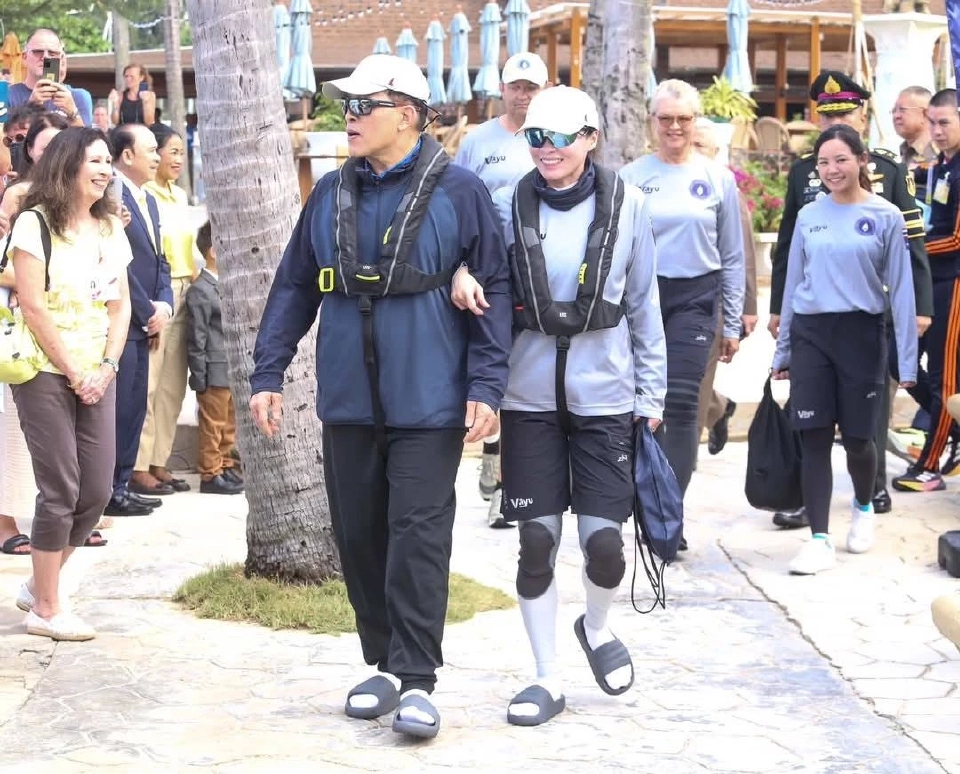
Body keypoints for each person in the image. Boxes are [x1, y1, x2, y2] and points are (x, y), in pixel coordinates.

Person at [248, 54, 511, 739]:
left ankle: (419, 678)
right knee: (359, 533)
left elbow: (493, 289)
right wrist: (268, 371)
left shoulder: (461, 193)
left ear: (410, 114)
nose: (351, 116)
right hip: (349, 398)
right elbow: (295, 286)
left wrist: (487, 383)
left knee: (417, 535)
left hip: (428, 398)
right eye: (349, 104)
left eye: (366, 104)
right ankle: (384, 663)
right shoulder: (330, 192)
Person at [453, 85, 665, 726]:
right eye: (535, 137)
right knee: (537, 542)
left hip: (605, 397)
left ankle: (595, 628)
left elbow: (644, 303)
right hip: (528, 399)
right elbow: (477, 267)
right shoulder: (502, 207)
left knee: (605, 546)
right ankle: (546, 676)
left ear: (590, 138)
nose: (546, 149)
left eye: (560, 137)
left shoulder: (629, 208)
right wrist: (462, 272)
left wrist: (650, 393)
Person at [767, 70, 933, 529]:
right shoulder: (804, 171)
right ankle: (812, 508)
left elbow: (911, 245)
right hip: (815, 320)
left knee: (867, 419)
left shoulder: (889, 171)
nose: (836, 119)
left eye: (845, 112)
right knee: (812, 422)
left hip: (867, 317)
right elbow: (788, 249)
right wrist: (780, 308)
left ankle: (872, 486)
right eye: (828, 113)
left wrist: (920, 308)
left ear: (862, 113)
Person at [5, 127, 132, 638]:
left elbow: (120, 304)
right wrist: (76, 371)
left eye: (108, 162)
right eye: (96, 161)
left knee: (96, 490)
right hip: (42, 369)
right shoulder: (34, 224)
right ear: (68, 163)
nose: (105, 170)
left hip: (98, 372)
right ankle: (48, 609)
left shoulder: (109, 229)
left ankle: (43, 584)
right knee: (59, 489)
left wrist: (107, 366)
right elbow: (32, 306)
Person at [620, 79, 744, 551]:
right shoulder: (632, 176)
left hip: (696, 298)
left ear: (696, 123)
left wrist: (731, 322)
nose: (675, 126)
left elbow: (732, 257)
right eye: (666, 118)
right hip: (641, 298)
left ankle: (666, 520)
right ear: (652, 121)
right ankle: (641, 500)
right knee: (640, 406)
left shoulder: (717, 178)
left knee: (682, 406)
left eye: (684, 118)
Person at [453, 51, 549, 526]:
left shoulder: (552, 140)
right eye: (517, 86)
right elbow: (455, 202)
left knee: (525, 373)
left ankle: (509, 481)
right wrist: (459, 265)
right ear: (503, 88)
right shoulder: (478, 141)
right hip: (488, 268)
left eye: (532, 87)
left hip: (539, 270)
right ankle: (494, 460)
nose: (523, 95)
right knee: (492, 363)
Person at [892, 88, 960, 493]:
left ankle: (931, 464)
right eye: (931, 122)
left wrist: (909, 247)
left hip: (953, 283)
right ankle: (945, 431)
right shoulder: (938, 166)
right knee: (901, 364)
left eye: (944, 122)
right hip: (926, 279)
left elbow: (954, 238)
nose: (935, 130)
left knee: (945, 378)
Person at [106, 124, 172, 516]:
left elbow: (160, 259)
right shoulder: (112, 195)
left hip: (147, 317)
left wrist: (164, 305)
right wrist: (148, 312)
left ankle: (122, 484)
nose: (158, 156)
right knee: (119, 410)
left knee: (134, 408)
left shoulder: (147, 199)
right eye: (150, 149)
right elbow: (119, 264)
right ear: (126, 155)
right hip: (125, 318)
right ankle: (110, 489)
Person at [129, 124, 196, 496]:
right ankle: (137, 465)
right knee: (149, 383)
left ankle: (159, 461)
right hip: (158, 295)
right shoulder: (142, 196)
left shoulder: (180, 196)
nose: (174, 158)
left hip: (186, 291)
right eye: (168, 150)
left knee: (173, 385)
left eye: (177, 152)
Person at [692, 117, 758, 456]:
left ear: (716, 151)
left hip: (712, 302)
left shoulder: (724, 188)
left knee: (693, 389)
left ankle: (683, 459)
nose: (695, 150)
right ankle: (719, 408)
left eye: (702, 145)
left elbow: (742, 254)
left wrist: (747, 308)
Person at [186, 221, 243, 495]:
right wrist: (198, 376)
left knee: (229, 425)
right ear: (213, 251)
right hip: (212, 369)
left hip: (229, 368)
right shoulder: (201, 290)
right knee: (212, 425)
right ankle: (210, 474)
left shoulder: (225, 285)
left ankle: (224, 466)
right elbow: (196, 337)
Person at [7, 29, 89, 127]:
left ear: (61, 58)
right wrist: (30, 107)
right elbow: (5, 140)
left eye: (52, 53)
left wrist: (73, 113)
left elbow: (86, 141)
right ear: (24, 57)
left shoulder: (78, 96)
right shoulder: (7, 95)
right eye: (38, 52)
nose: (45, 57)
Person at [0, 112, 70, 221]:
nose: (54, 155)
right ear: (30, 150)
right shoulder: (17, 194)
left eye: (60, 149)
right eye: (46, 149)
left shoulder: (82, 190)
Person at [893, 86, 937, 173]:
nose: (896, 116)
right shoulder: (905, 150)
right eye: (894, 110)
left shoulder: (938, 152)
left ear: (925, 114)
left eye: (902, 110)